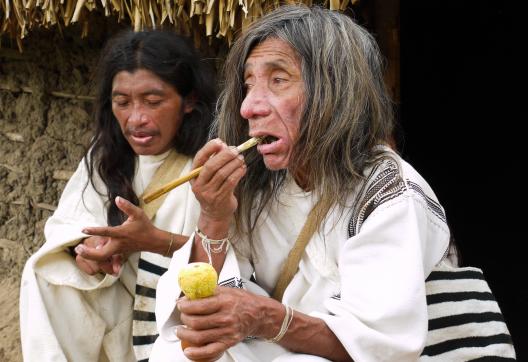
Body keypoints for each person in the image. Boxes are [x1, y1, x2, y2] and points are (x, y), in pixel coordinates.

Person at [150, 4, 456, 362]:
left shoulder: (388, 193)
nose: (249, 107)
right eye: (248, 85)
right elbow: (195, 308)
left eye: (278, 80)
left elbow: (379, 345)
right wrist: (214, 217)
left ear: (334, 92)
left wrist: (265, 317)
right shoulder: (258, 183)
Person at [19, 29, 216, 362]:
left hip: (183, 316)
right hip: (123, 307)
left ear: (190, 100)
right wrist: (87, 251)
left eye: (153, 102)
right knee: (44, 272)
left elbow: (240, 267)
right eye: (122, 103)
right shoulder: (107, 157)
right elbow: (69, 227)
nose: (136, 118)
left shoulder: (212, 162)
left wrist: (152, 241)